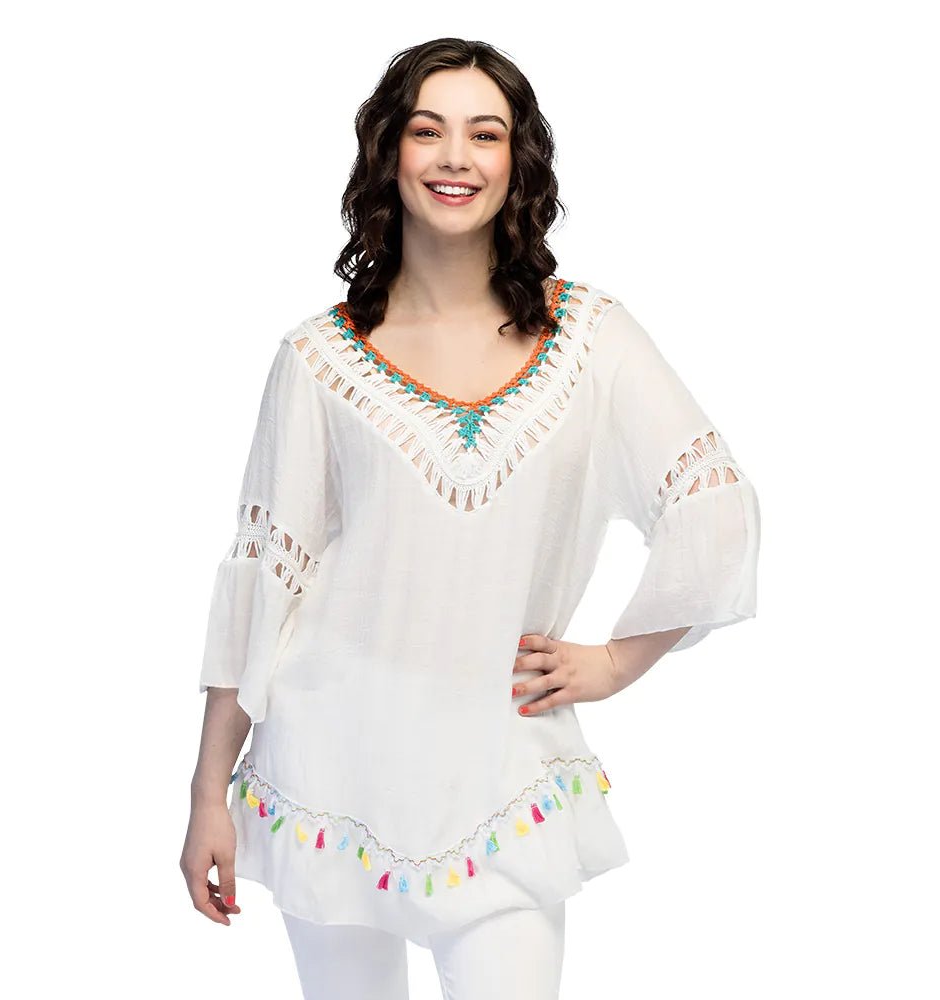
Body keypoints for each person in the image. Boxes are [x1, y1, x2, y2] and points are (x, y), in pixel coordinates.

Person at [180, 37, 761, 1000]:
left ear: (516, 161)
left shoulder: (592, 337)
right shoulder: (318, 358)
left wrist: (618, 661)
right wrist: (209, 792)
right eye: (428, 131)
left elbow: (715, 502)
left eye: (485, 134)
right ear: (389, 155)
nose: (456, 157)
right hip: (327, 773)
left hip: (502, 776)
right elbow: (263, 583)